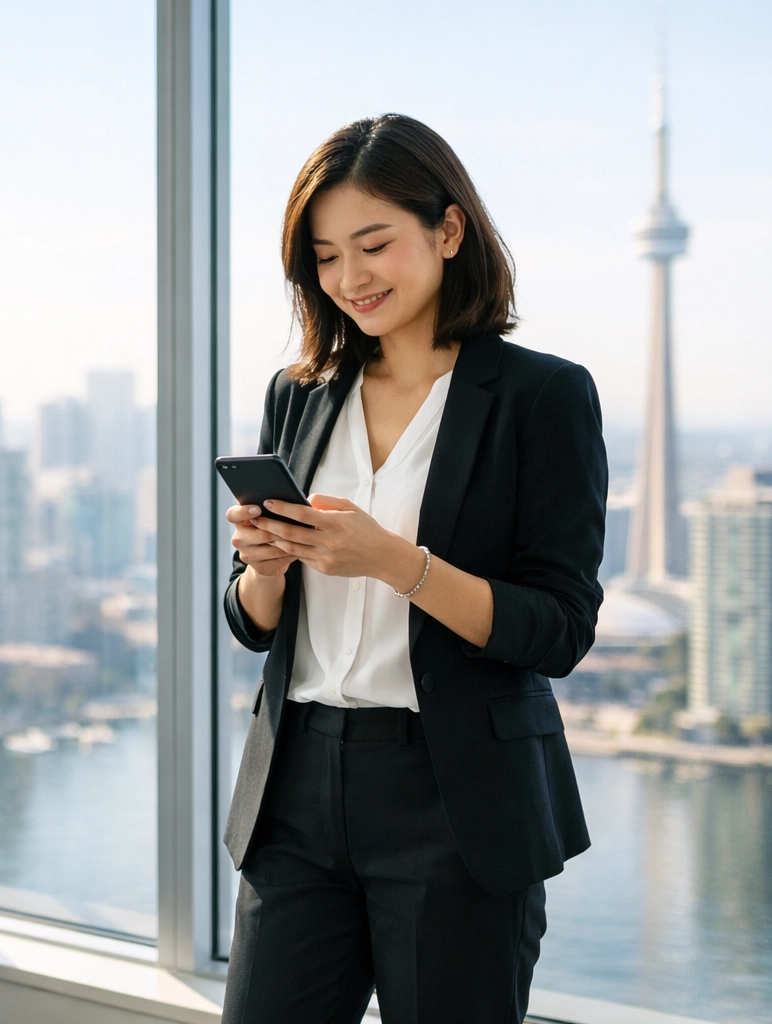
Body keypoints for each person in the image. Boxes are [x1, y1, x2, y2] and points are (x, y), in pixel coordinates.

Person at [220, 114, 606, 1024]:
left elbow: (558, 629)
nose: (349, 278)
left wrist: (398, 564)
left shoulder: (542, 397)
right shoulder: (301, 391)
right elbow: (251, 621)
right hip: (298, 785)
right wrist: (265, 568)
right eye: (323, 256)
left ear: (448, 229)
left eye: (374, 243)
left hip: (455, 801)